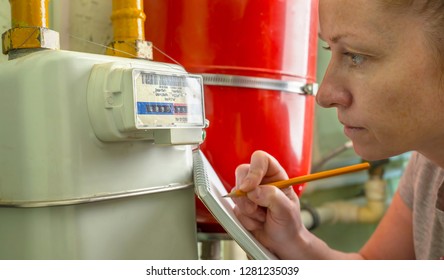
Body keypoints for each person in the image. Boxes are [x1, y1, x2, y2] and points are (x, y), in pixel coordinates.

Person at [231, 0, 444, 260]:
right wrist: (294, 239)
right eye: (328, 48)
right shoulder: (428, 165)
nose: (325, 95)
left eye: (356, 56)